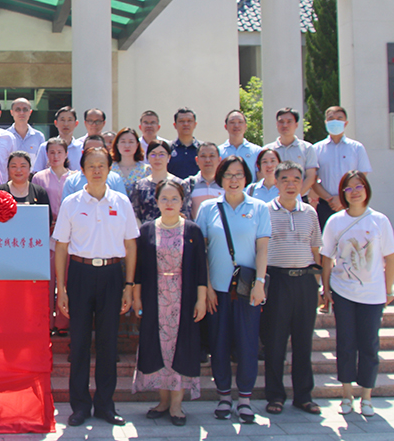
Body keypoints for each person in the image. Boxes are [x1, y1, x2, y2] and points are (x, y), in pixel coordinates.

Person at [53, 147, 138, 427]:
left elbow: (130, 245)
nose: (97, 170)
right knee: (78, 343)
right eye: (91, 165)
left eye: (102, 165)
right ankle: (79, 406)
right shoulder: (72, 203)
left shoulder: (121, 202)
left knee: (107, 343)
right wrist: (62, 288)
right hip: (80, 274)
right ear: (82, 170)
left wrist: (128, 286)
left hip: (113, 274)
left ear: (110, 169)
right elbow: (61, 247)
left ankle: (105, 405)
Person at [195, 156, 270, 425]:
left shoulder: (259, 208)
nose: (234, 179)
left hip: (248, 290)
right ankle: (224, 396)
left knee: (248, 343)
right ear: (220, 178)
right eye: (228, 174)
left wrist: (260, 283)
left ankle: (245, 399)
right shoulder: (208, 208)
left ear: (246, 178)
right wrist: (207, 287)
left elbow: (263, 248)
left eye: (239, 174)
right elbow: (201, 251)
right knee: (219, 343)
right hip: (218, 290)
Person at [320, 172, 394, 418]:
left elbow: (390, 257)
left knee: (369, 345)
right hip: (343, 291)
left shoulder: (379, 220)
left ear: (366, 189)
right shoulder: (335, 221)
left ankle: (366, 396)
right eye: (348, 188)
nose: (354, 192)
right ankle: (346, 395)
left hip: (372, 294)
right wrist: (326, 288)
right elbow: (326, 257)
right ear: (342, 193)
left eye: (359, 186)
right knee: (345, 343)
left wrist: (389, 289)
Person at [132, 179, 207, 427]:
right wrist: (137, 297)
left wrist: (201, 299)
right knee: (158, 347)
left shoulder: (193, 231)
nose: (169, 203)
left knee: (181, 347)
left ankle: (177, 404)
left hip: (183, 298)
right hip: (155, 297)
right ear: (156, 201)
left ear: (183, 201)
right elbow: (139, 269)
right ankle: (163, 401)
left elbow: (201, 269)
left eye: (174, 198)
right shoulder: (147, 230)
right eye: (164, 198)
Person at [262, 161, 323, 416]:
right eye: (285, 179)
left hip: (305, 281)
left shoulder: (309, 212)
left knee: (303, 341)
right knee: (275, 342)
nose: (291, 184)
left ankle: (304, 396)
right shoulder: (265, 211)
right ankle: (275, 396)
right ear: (276, 182)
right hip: (277, 281)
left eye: (296, 179)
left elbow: (316, 250)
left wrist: (320, 285)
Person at [32, 137, 71, 336]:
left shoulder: (74, 177)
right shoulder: (39, 178)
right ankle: (45, 321)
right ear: (46, 155)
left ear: (66, 154)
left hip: (69, 234)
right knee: (47, 279)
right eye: (52, 152)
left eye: (59, 152)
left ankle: (63, 322)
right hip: (46, 232)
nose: (55, 156)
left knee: (66, 278)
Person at [312, 106, 372, 229]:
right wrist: (330, 199)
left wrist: (342, 198)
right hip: (326, 205)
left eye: (339, 118)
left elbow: (362, 176)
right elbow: (313, 179)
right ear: (326, 122)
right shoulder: (316, 149)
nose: (335, 121)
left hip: (352, 202)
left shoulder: (357, 147)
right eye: (331, 119)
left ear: (346, 123)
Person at [264, 108, 318, 199]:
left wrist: (295, 196)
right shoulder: (267, 150)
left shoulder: (307, 148)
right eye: (281, 122)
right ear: (277, 124)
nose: (285, 125)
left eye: (289, 121)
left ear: (296, 125)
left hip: (300, 198)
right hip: (273, 198)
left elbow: (311, 177)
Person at [131, 140, 189, 224]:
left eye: (162, 154)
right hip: (146, 230)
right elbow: (134, 215)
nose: (157, 158)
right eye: (153, 154)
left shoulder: (180, 184)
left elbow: (185, 213)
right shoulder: (139, 186)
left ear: (169, 157)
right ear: (147, 158)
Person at [61, 135, 126, 199]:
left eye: (98, 149)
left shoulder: (115, 179)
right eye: (90, 150)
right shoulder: (72, 182)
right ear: (83, 152)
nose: (94, 154)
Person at [33, 106, 83, 171]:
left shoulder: (81, 148)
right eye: (62, 120)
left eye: (69, 120)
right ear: (56, 123)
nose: (66, 124)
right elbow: (37, 171)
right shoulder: (44, 147)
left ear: (76, 123)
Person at [218, 110, 261, 181]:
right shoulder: (219, 151)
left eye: (240, 122)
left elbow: (261, 178)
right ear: (226, 126)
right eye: (232, 122)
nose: (236, 125)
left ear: (245, 126)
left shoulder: (256, 151)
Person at [185, 142, 223, 221]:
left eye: (212, 156)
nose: (208, 160)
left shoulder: (225, 184)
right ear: (197, 160)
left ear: (219, 160)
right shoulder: (188, 184)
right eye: (203, 156)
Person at [110, 127, 150, 198]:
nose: (127, 146)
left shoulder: (146, 170)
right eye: (123, 142)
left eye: (131, 142)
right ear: (117, 145)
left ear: (137, 145)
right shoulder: (109, 169)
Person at [167, 108, 200, 179]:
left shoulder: (202, 149)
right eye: (181, 121)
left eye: (189, 121)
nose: (186, 124)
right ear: (175, 125)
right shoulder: (168, 148)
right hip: (173, 185)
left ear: (195, 124)